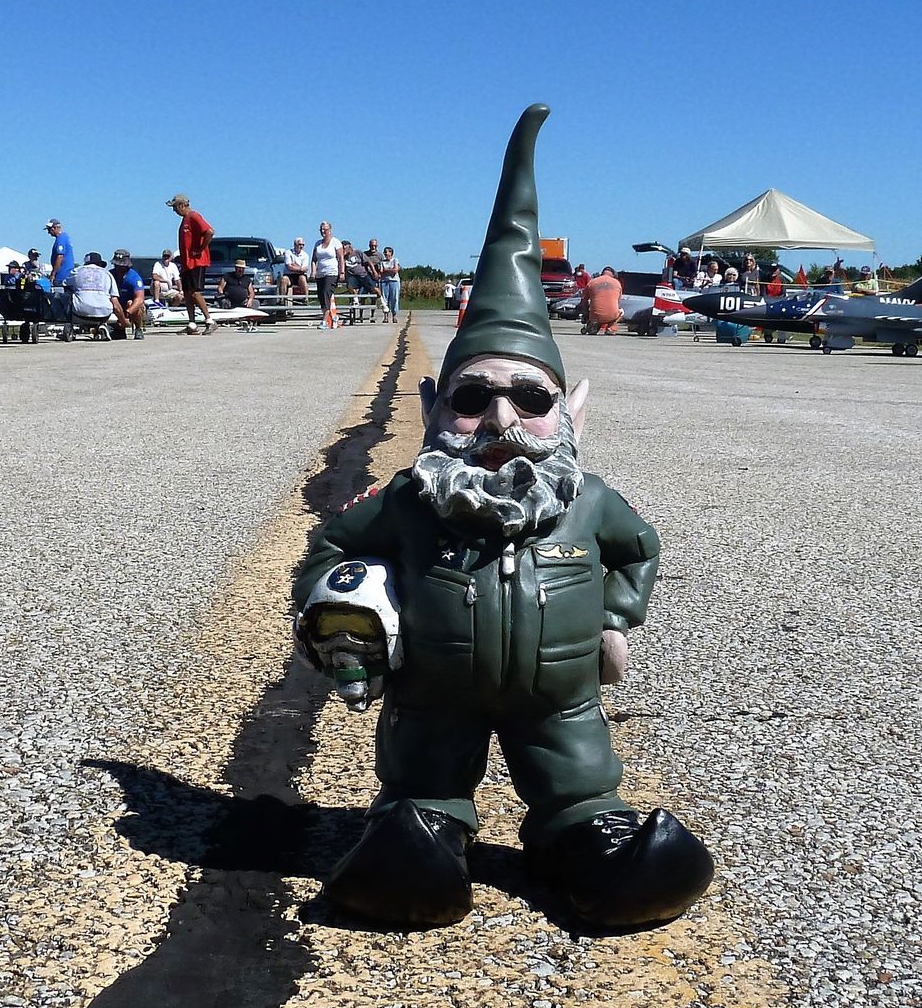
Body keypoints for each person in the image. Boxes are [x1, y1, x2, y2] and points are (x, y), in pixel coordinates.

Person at [292, 103, 711, 932]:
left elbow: (640, 549)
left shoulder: (589, 501)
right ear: (432, 408)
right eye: (472, 396)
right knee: (422, 777)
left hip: (561, 698)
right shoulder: (407, 500)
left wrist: (616, 617)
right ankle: (422, 832)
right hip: (431, 695)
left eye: (530, 399)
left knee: (577, 775)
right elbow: (330, 543)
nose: (499, 419)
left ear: (572, 413)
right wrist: (340, 609)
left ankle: (585, 838)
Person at [169, 193, 214, 334]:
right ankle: (192, 323)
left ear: (182, 205)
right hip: (186, 263)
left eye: (175, 207)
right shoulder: (184, 220)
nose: (174, 210)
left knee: (195, 293)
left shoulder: (194, 216)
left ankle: (210, 320)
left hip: (196, 262)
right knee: (187, 294)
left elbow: (209, 231)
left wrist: (200, 249)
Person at [65, 251, 117, 335]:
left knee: (68, 294)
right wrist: (123, 321)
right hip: (103, 314)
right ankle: (102, 326)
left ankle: (71, 328)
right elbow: (114, 299)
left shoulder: (76, 271)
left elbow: (64, 284)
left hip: (80, 312)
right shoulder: (107, 274)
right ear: (99, 264)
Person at [109, 248, 149, 337]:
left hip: (130, 307)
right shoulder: (110, 275)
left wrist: (128, 312)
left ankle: (138, 328)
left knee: (131, 303)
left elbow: (140, 299)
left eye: (121, 265)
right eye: (116, 265)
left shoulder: (134, 277)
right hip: (116, 307)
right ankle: (118, 329)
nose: (118, 268)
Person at [310, 221, 343, 324]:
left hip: (331, 272)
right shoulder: (317, 244)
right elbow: (314, 259)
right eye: (321, 229)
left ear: (330, 230)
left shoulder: (336, 242)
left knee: (326, 294)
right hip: (320, 273)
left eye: (325, 229)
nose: (323, 231)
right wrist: (313, 272)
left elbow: (341, 258)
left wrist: (342, 272)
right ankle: (333, 317)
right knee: (321, 297)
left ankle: (324, 320)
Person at [586, 266, 623, 335]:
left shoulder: (592, 282)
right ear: (613, 275)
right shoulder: (617, 283)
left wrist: (585, 313)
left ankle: (593, 326)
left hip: (594, 315)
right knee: (621, 311)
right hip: (611, 315)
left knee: (591, 308)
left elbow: (584, 300)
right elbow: (618, 302)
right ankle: (610, 327)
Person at [45, 220, 75, 292]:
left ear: (54, 228)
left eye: (49, 230)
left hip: (62, 275)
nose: (48, 232)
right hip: (67, 274)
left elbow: (60, 256)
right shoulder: (65, 237)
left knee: (58, 295)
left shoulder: (60, 239)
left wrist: (53, 274)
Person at [379, 245, 402, 320]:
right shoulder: (382, 262)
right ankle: (385, 316)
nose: (386, 254)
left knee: (394, 298)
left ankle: (394, 315)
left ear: (391, 253)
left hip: (394, 281)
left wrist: (387, 270)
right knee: (384, 299)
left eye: (387, 252)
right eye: (385, 252)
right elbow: (381, 271)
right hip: (384, 281)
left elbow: (395, 270)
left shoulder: (395, 260)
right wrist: (390, 270)